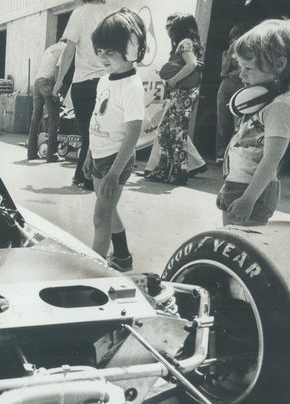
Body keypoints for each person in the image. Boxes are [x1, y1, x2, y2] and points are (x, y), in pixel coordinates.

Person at [217, 19, 290, 226]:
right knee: (229, 241)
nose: (241, 74)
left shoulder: (280, 106)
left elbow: (271, 159)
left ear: (279, 64)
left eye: (248, 68)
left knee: (239, 249)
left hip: (252, 192)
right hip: (238, 184)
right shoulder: (262, 98)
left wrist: (249, 199)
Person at [84, 9, 147, 272]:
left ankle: (93, 273)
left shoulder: (132, 87)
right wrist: (89, 154)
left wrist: (114, 172)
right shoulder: (104, 80)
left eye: (109, 51)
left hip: (115, 161)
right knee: (109, 211)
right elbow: (97, 118)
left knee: (101, 217)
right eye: (99, 50)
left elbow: (133, 134)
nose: (102, 56)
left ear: (131, 50)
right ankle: (122, 256)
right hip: (98, 156)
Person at [53, 0, 113, 191]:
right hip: (107, 83)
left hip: (83, 83)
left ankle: (86, 177)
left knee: (87, 132)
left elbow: (69, 49)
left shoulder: (79, 13)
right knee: (100, 132)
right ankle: (86, 175)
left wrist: (60, 80)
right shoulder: (111, 14)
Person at [143, 13, 206, 185]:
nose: (170, 31)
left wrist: (173, 80)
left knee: (177, 134)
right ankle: (164, 168)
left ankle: (178, 172)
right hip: (183, 92)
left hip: (182, 92)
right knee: (165, 131)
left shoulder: (184, 42)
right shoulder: (191, 42)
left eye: (173, 27)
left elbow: (191, 64)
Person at [27, 41, 66, 162]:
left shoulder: (50, 48)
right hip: (49, 82)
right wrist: (57, 88)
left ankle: (31, 153)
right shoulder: (65, 48)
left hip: (37, 81)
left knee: (35, 118)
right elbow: (58, 67)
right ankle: (52, 155)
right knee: (54, 119)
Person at [215, 24, 247, 165]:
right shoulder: (226, 53)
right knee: (222, 120)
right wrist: (230, 52)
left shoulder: (248, 53)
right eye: (234, 38)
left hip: (241, 84)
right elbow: (223, 70)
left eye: (238, 37)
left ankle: (233, 155)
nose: (236, 40)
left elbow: (243, 71)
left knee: (238, 122)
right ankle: (220, 154)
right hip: (226, 84)